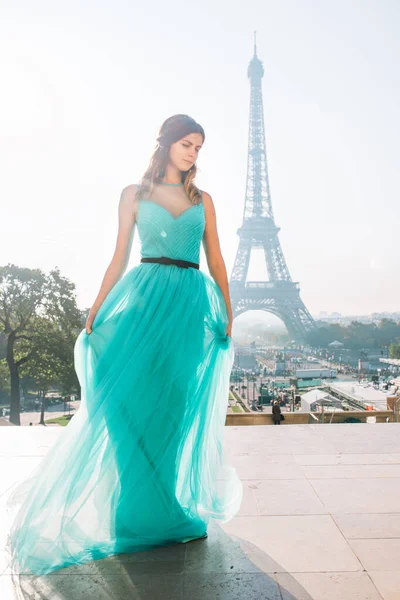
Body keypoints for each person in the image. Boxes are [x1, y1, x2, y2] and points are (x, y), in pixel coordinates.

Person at [6, 114, 243, 576]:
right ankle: (132, 512)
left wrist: (228, 312)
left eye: (199, 147)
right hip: (143, 301)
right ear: (167, 144)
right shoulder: (133, 194)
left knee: (175, 409)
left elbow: (215, 257)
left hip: (188, 307)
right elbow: (119, 256)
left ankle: (167, 508)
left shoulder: (203, 200)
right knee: (131, 403)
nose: (194, 153)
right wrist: (95, 309)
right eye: (187, 144)